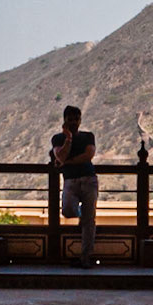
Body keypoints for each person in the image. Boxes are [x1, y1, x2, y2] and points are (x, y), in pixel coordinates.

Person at [49, 103, 98, 266]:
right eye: (70, 119)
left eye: (76, 119)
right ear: (64, 121)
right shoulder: (58, 138)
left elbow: (88, 155)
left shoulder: (88, 136)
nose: (74, 122)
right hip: (70, 181)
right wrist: (68, 139)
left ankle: (85, 258)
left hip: (89, 180)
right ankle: (81, 214)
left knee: (89, 222)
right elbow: (60, 156)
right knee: (68, 210)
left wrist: (67, 162)